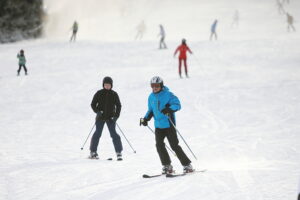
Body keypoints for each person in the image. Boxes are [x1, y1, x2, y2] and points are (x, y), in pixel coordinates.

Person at [140, 76, 194, 174]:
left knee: (174, 146)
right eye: (152, 86)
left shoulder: (168, 94)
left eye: (156, 85)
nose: (154, 88)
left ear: (161, 85)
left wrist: (169, 109)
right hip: (158, 126)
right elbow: (151, 110)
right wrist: (145, 119)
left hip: (169, 124)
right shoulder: (151, 97)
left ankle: (187, 165)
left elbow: (177, 105)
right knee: (159, 145)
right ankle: (167, 166)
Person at [89, 77, 123, 160]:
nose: (107, 86)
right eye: (105, 85)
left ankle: (119, 152)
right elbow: (93, 104)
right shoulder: (99, 93)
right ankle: (93, 152)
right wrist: (98, 112)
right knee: (97, 133)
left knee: (114, 134)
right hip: (100, 118)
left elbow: (118, 106)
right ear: (103, 85)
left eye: (109, 85)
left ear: (111, 85)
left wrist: (115, 116)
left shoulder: (114, 94)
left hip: (110, 118)